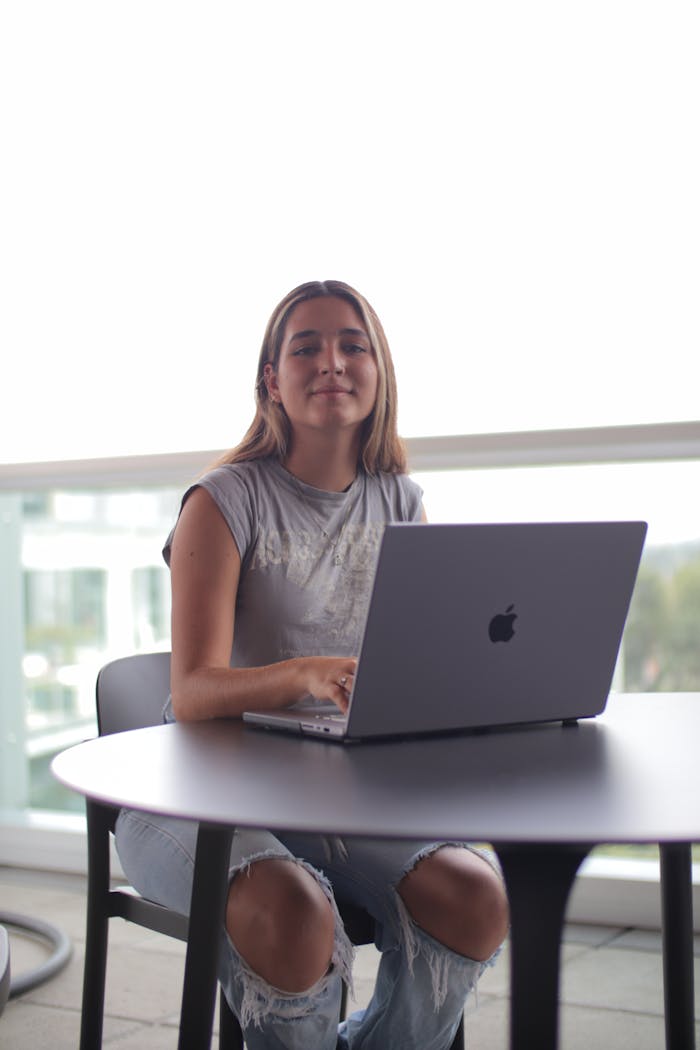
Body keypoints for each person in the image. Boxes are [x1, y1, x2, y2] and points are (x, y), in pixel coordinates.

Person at [115, 279, 509, 1050]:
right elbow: (192, 692)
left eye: (353, 344)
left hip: (338, 796)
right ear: (273, 380)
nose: (333, 361)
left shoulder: (402, 502)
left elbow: (421, 668)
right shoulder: (224, 500)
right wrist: (305, 672)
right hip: (197, 792)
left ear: (379, 370)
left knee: (475, 894)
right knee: (294, 912)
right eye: (307, 347)